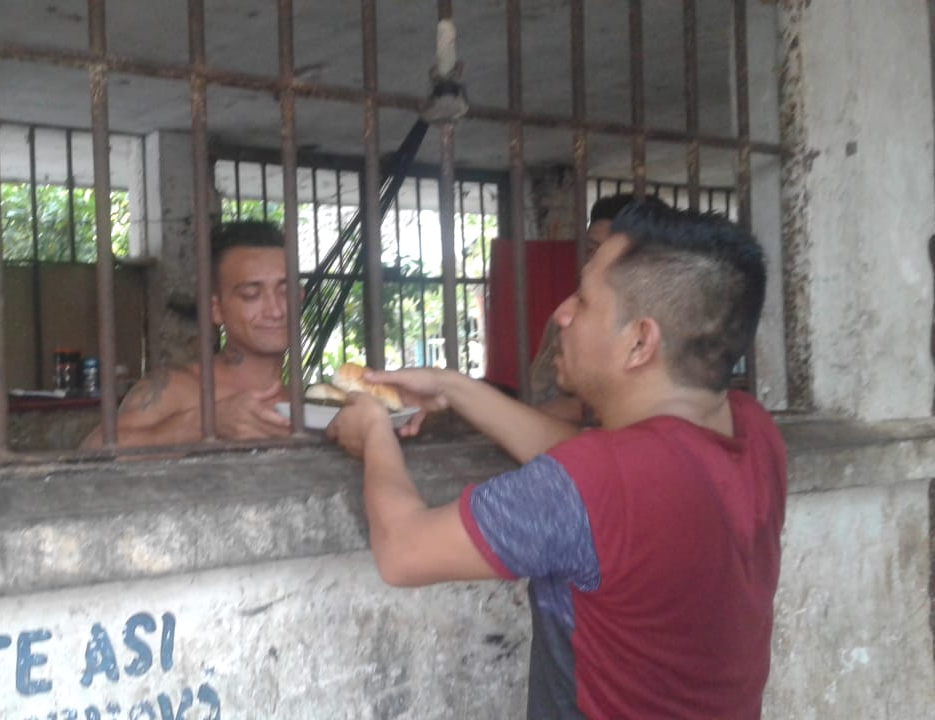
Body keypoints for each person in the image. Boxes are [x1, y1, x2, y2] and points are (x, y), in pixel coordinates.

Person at [327, 201, 786, 718]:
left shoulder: (601, 479)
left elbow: (403, 551)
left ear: (640, 342)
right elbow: (591, 468)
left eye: (583, 300)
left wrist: (374, 431)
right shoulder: (753, 430)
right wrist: (452, 387)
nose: (561, 314)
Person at [82, 220, 293, 448]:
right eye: (251, 294)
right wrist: (207, 424)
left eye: (286, 290)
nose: (276, 310)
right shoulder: (178, 388)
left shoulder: (300, 401)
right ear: (215, 309)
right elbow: (93, 449)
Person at [530, 193, 670, 421]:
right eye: (591, 249)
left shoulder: (676, 323)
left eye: (607, 250)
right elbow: (540, 398)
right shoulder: (568, 318)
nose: (595, 261)